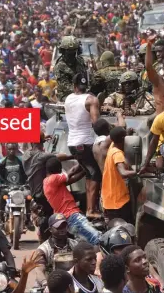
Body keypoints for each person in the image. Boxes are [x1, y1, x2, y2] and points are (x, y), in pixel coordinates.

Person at [64, 73, 102, 219]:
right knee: (95, 174)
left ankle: (89, 207)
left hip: (72, 144)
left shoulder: (68, 98)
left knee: (89, 173)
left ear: (74, 87)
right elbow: (96, 124)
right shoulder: (91, 100)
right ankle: (91, 210)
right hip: (85, 143)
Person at [43, 157, 101, 245]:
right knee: (97, 238)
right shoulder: (53, 179)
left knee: (87, 244)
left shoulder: (47, 182)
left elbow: (71, 180)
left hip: (68, 219)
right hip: (72, 217)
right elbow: (72, 171)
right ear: (58, 169)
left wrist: (85, 171)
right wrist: (84, 161)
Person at [102, 127, 138, 223]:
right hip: (117, 202)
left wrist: (127, 133)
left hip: (110, 198)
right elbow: (123, 173)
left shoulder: (112, 147)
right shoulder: (118, 154)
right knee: (123, 229)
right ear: (123, 139)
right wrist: (138, 172)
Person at [35, 214, 78, 288]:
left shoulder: (75, 244)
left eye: (64, 226)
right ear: (50, 229)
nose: (62, 229)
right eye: (58, 227)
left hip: (72, 284)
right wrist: (45, 283)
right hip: (50, 286)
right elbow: (39, 270)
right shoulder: (43, 249)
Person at [53, 36, 86, 101]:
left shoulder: (80, 61)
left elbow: (86, 76)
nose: (71, 55)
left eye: (73, 52)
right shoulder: (60, 66)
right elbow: (65, 86)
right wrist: (83, 91)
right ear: (63, 51)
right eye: (69, 53)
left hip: (82, 91)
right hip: (67, 95)